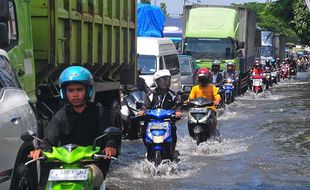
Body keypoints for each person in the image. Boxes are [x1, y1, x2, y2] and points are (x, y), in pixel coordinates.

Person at [29, 66, 120, 189]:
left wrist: (110, 146)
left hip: (92, 165)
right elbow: (49, 140)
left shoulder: (99, 113)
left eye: (79, 89)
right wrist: (40, 150)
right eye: (71, 90)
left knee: (93, 178)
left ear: (88, 90)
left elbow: (110, 135)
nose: (75, 94)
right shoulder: (60, 115)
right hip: (65, 166)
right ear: (64, 93)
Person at [139, 69, 182, 157]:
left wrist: (178, 112)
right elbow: (145, 106)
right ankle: (149, 148)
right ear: (157, 82)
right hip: (152, 121)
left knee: (173, 130)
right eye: (163, 80)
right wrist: (143, 111)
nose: (166, 82)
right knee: (143, 131)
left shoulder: (172, 94)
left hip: (167, 121)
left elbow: (178, 105)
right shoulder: (151, 95)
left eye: (167, 79)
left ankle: (172, 151)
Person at [188, 68, 221, 136]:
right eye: (201, 77)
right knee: (189, 119)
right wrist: (187, 102)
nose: (202, 79)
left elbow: (217, 95)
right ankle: (191, 134)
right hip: (196, 109)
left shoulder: (212, 87)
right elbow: (190, 98)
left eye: (204, 77)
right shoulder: (195, 88)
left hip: (210, 108)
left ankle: (213, 132)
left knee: (213, 118)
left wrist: (216, 101)